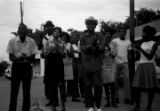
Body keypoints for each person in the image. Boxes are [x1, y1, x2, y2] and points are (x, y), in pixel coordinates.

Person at [7, 23, 37, 111]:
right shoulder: (12, 41)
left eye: (24, 30)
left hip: (27, 67)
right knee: (14, 92)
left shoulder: (31, 41)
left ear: (27, 31)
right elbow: (10, 57)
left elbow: (33, 58)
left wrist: (25, 57)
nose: (23, 31)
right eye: (21, 29)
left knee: (26, 92)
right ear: (18, 31)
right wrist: (18, 58)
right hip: (16, 67)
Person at [80, 16, 105, 111]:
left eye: (92, 23)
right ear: (86, 25)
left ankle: (98, 105)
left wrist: (95, 46)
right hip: (86, 64)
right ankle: (90, 106)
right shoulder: (82, 36)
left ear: (95, 25)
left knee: (98, 85)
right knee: (87, 86)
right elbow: (83, 48)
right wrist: (91, 46)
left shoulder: (99, 35)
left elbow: (102, 47)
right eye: (88, 23)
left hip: (97, 64)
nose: (90, 25)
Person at [132, 26, 158, 111]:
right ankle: (138, 105)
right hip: (141, 65)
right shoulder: (142, 43)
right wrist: (136, 53)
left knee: (150, 88)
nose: (142, 34)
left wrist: (140, 49)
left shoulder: (154, 43)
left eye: (143, 32)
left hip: (149, 66)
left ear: (148, 34)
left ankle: (149, 106)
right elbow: (139, 57)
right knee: (136, 87)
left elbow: (150, 57)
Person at [42, 26, 66, 111]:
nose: (56, 32)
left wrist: (58, 49)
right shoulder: (48, 42)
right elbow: (45, 55)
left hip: (59, 65)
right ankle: (53, 107)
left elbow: (64, 55)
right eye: (55, 31)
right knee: (52, 87)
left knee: (62, 86)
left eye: (58, 31)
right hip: (51, 66)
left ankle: (63, 107)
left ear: (60, 33)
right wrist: (51, 49)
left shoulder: (63, 42)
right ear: (53, 33)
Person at [112, 27, 132, 104]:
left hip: (125, 63)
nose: (122, 33)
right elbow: (111, 51)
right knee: (115, 80)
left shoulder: (128, 42)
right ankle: (115, 97)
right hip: (116, 63)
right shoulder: (114, 41)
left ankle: (127, 98)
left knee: (127, 80)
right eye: (121, 31)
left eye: (123, 32)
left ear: (125, 33)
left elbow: (129, 53)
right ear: (119, 33)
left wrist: (129, 63)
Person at [101, 30, 118, 108]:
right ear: (104, 35)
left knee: (112, 83)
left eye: (109, 34)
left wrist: (109, 49)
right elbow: (99, 54)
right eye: (106, 34)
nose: (107, 35)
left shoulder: (114, 44)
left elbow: (115, 54)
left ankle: (113, 101)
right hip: (104, 65)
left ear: (111, 36)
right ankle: (108, 101)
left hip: (112, 65)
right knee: (105, 84)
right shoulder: (101, 44)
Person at [40, 20, 55, 103]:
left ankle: (54, 97)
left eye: (50, 26)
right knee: (47, 78)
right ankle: (48, 96)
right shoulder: (44, 37)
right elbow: (42, 47)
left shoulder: (55, 36)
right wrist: (42, 53)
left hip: (54, 58)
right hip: (47, 59)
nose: (49, 27)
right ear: (46, 27)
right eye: (47, 26)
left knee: (54, 78)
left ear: (52, 27)